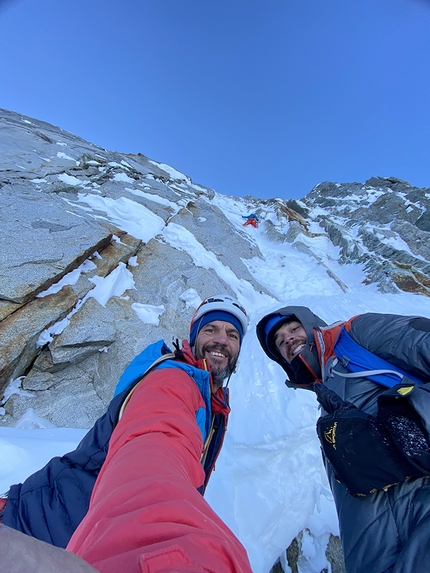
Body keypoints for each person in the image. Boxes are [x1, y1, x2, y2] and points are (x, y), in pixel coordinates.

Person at [1, 295, 252, 573]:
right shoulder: (173, 380)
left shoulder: (210, 397)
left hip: (68, 527)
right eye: (210, 329)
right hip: (42, 529)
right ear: (193, 338)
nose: (222, 340)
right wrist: (168, 547)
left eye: (232, 334)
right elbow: (154, 443)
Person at [256, 306, 430, 573]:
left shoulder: (357, 334)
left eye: (294, 329)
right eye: (280, 342)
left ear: (313, 324)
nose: (288, 339)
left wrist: (411, 429)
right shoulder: (329, 394)